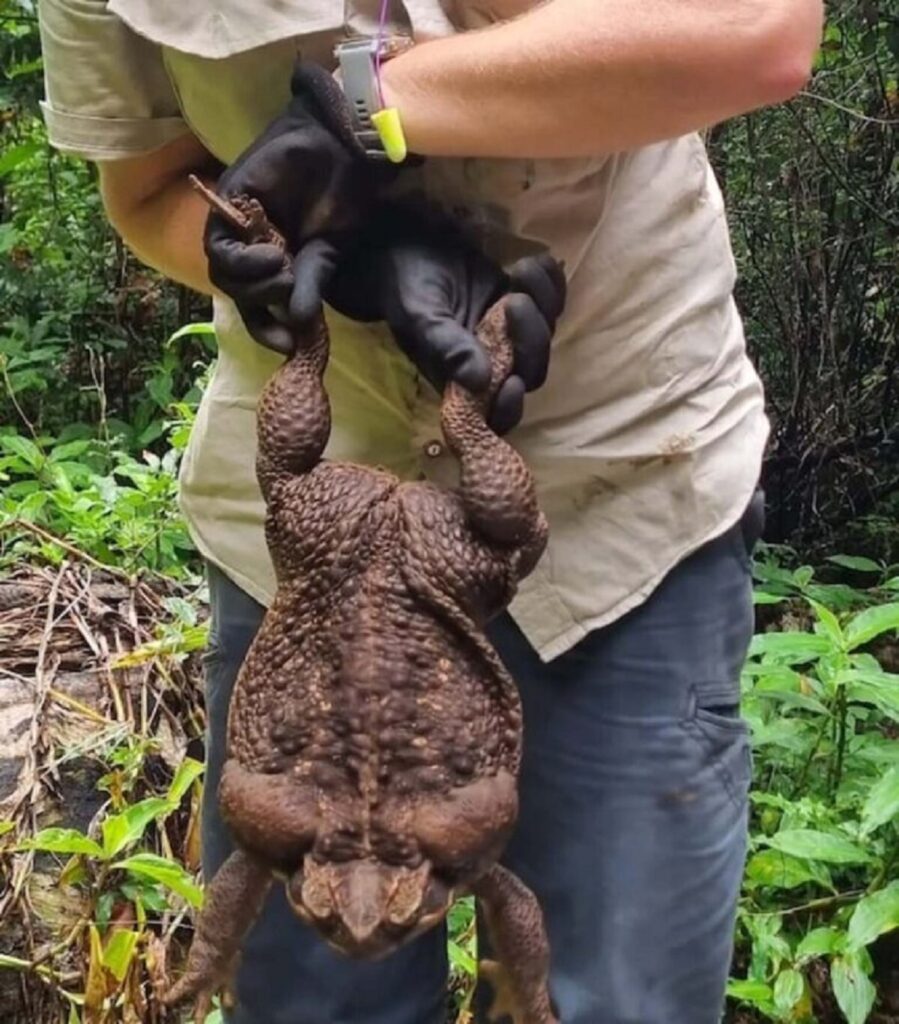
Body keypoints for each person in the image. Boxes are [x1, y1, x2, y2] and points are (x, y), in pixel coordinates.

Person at [37, 2, 823, 1023]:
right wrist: (288, 260)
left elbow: (755, 31)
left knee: (618, 997)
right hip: (308, 545)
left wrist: (363, 109)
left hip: (619, 483)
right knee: (313, 1004)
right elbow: (146, 189)